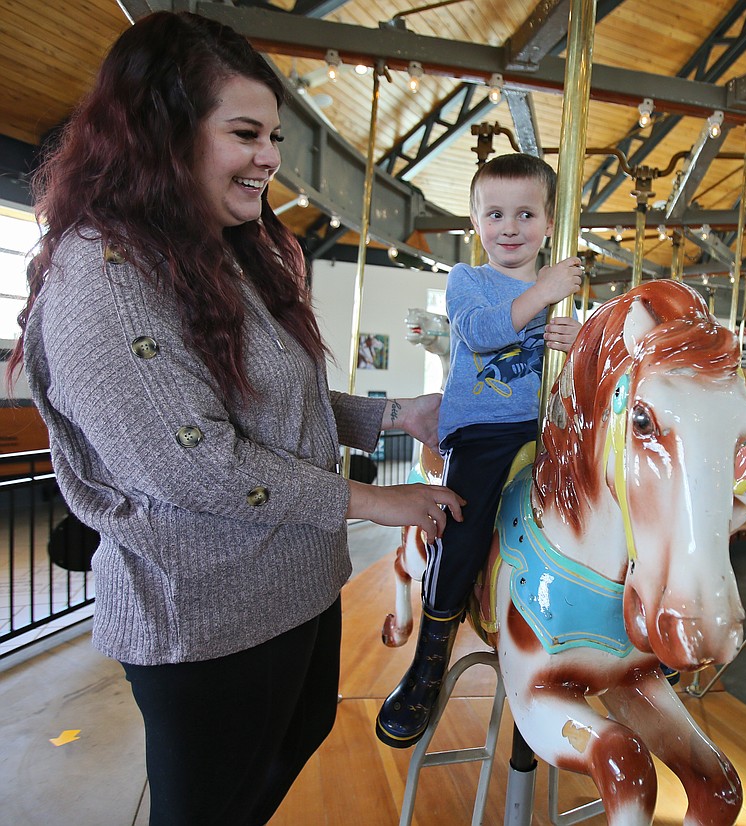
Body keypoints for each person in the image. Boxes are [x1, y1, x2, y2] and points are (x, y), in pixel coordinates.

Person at [5, 12, 463, 825]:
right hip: (206, 617)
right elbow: (197, 460)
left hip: (291, 585)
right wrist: (376, 501)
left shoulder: (213, 253)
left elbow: (265, 399)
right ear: (163, 134)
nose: (269, 160)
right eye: (246, 134)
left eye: (275, 137)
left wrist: (399, 413)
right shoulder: (103, 280)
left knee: (288, 751)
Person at [376, 153, 582, 748]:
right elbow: (486, 332)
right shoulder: (468, 282)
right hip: (483, 432)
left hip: (541, 430)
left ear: (548, 224)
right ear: (475, 222)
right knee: (463, 532)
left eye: (525, 214)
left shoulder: (555, 297)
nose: (510, 228)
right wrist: (543, 292)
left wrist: (576, 341)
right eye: (495, 214)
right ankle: (428, 661)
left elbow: (567, 375)